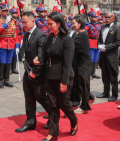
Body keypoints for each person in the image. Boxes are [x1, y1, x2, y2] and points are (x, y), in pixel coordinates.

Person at [41, 11, 77, 141]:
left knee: (64, 104)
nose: (48, 26)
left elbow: (68, 63)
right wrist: (37, 59)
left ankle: (74, 121)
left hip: (63, 77)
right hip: (50, 76)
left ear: (59, 24)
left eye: (51, 24)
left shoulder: (67, 40)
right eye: (48, 23)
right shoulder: (50, 38)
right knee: (53, 105)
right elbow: (44, 55)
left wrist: (64, 81)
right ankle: (53, 133)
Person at [15, 11, 50, 133]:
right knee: (29, 98)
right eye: (22, 22)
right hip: (27, 71)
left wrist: (35, 71)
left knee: (40, 96)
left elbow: (42, 56)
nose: (23, 25)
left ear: (32, 21)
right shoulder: (26, 34)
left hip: (38, 73)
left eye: (25, 22)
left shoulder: (41, 35)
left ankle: (52, 115)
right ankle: (30, 122)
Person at [0, 0, 19, 88]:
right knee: (2, 62)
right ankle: (0, 80)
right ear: (0, 11)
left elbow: (15, 33)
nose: (5, 12)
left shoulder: (13, 20)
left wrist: (16, 45)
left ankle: (6, 80)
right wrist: (6, 23)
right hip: (2, 44)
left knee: (8, 62)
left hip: (11, 44)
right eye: (3, 11)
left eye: (6, 11)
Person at [97, 13, 120, 102]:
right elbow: (99, 40)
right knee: (104, 75)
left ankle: (114, 94)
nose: (107, 19)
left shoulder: (117, 28)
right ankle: (106, 92)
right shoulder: (103, 27)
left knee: (113, 76)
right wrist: (99, 45)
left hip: (112, 55)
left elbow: (118, 42)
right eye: (106, 17)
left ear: (113, 18)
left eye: (109, 17)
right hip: (103, 55)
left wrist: (107, 47)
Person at [71, 14, 93, 114]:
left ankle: (85, 107)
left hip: (84, 64)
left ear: (80, 24)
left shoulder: (83, 35)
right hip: (77, 63)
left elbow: (70, 44)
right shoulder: (76, 34)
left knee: (83, 85)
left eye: (73, 23)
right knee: (78, 84)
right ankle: (89, 98)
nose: (72, 25)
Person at [85, 9, 102, 80]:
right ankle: (89, 74)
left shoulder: (99, 25)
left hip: (97, 43)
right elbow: (84, 33)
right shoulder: (88, 25)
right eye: (94, 17)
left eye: (96, 17)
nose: (96, 18)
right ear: (90, 18)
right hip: (91, 43)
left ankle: (93, 73)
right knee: (91, 59)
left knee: (95, 59)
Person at [10, 6, 21, 75]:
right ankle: (10, 68)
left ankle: (14, 68)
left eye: (16, 13)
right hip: (12, 39)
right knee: (10, 54)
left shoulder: (19, 22)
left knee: (15, 54)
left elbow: (21, 30)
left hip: (18, 39)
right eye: (14, 13)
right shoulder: (10, 21)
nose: (16, 14)